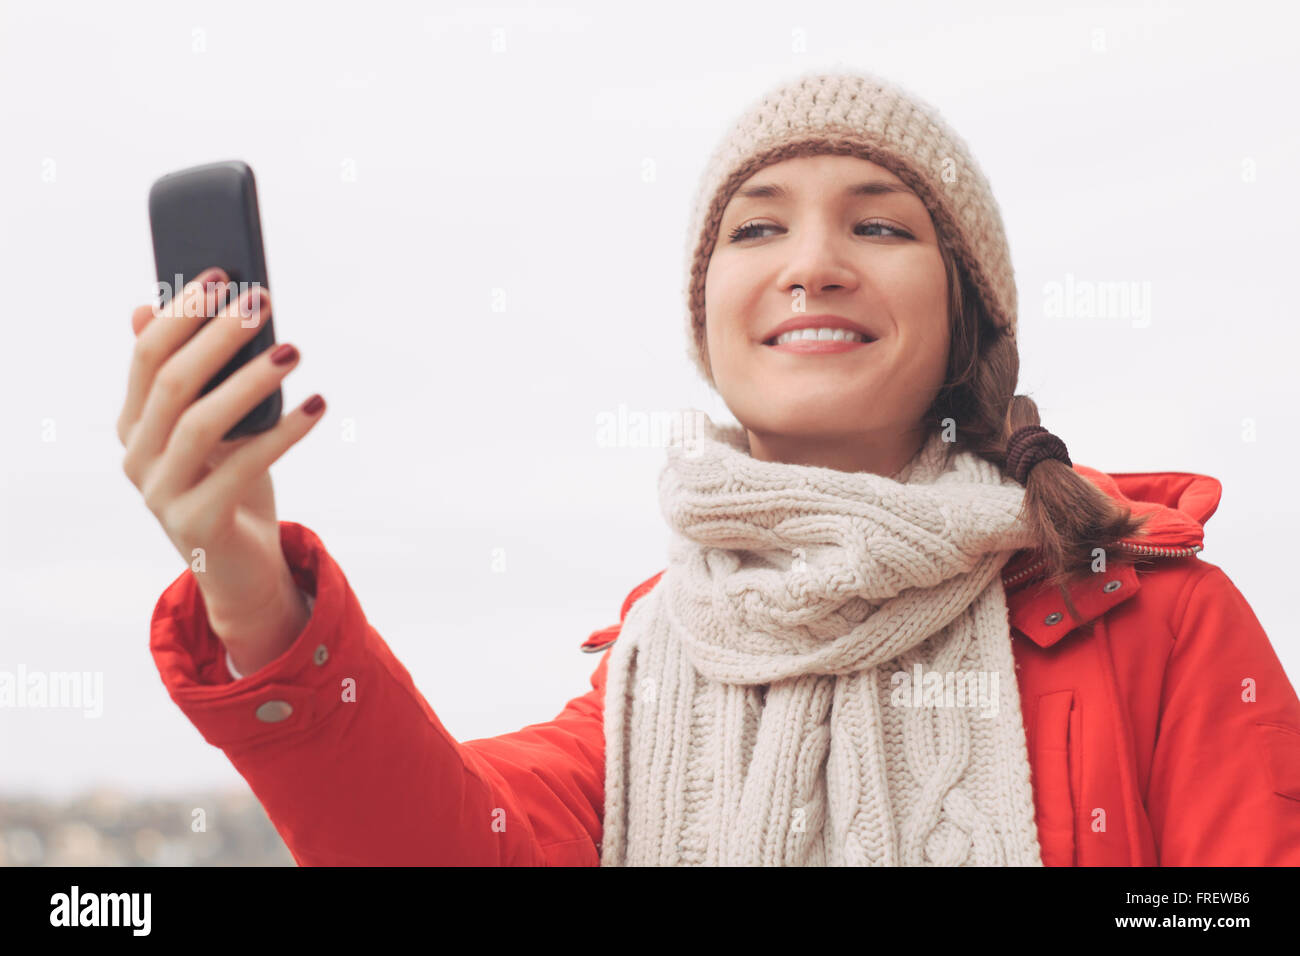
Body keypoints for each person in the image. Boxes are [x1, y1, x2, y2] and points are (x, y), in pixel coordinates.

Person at [121, 69, 1300, 866]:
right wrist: (244, 577)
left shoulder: (1154, 621)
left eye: (879, 224)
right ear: (711, 317)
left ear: (965, 314)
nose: (813, 264)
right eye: (757, 226)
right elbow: (436, 842)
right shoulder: (647, 670)